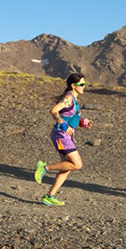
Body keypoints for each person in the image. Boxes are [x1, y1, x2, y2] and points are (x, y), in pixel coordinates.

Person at [34, 73, 92, 206]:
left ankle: (50, 196)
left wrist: (82, 122)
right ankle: (45, 167)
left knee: (67, 167)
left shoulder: (74, 99)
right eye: (81, 84)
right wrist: (63, 124)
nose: (84, 87)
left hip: (65, 135)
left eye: (84, 84)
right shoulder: (68, 97)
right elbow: (54, 111)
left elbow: (69, 116)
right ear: (73, 86)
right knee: (77, 165)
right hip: (61, 135)